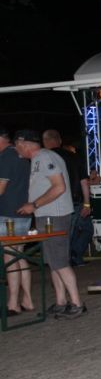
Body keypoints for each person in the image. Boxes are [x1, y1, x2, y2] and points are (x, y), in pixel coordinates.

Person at [14, 129, 86, 319]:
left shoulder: (45, 157)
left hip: (55, 215)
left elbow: (59, 187)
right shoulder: (39, 159)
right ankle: (61, 302)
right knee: (53, 262)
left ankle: (77, 303)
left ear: (24, 144)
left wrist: (34, 205)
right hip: (47, 216)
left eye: (17, 145)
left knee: (60, 262)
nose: (16, 149)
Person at [42, 130, 93, 267]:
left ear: (45, 142)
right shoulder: (73, 157)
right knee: (85, 229)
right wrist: (87, 203)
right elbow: (84, 181)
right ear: (59, 141)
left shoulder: (44, 158)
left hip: (53, 201)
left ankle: (63, 260)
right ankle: (72, 257)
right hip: (75, 200)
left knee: (61, 233)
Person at [0, 126, 33, 315]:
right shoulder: (21, 156)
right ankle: (27, 300)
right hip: (23, 212)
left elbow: (0, 188)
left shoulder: (5, 157)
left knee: (10, 257)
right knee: (19, 256)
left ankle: (13, 304)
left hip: (8, 214)